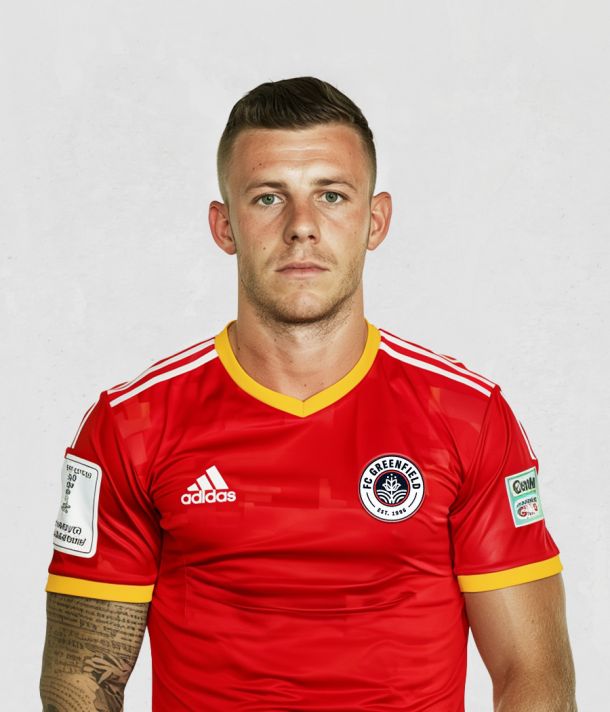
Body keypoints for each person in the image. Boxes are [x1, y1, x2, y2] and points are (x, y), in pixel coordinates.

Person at [40, 76, 577, 711]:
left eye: (331, 195)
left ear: (375, 220)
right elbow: (83, 677)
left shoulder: (468, 416)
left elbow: (532, 673)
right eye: (269, 198)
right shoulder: (132, 425)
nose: (302, 226)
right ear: (225, 226)